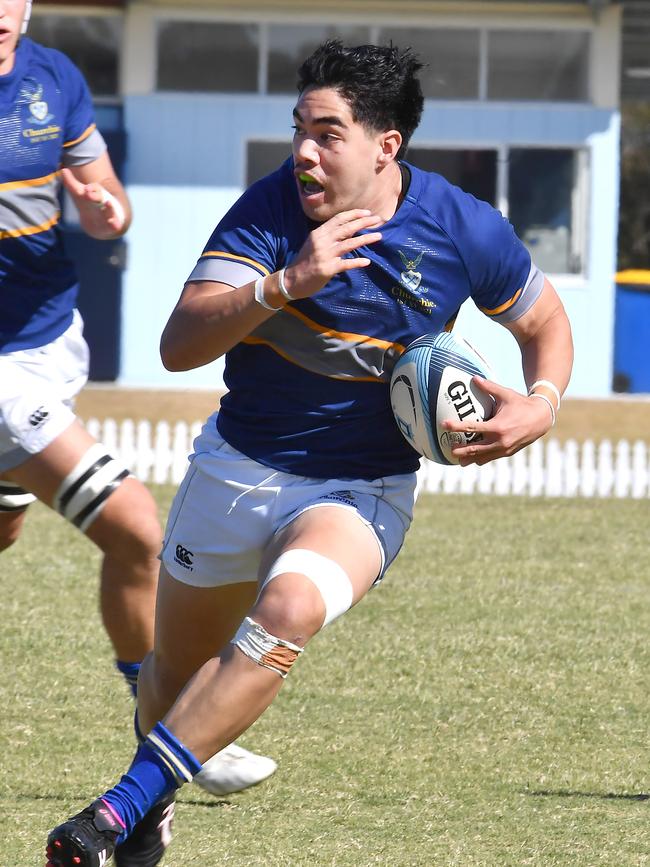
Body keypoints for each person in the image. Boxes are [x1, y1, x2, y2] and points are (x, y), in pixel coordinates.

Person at [46, 38, 574, 866]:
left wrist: (539, 407)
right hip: (237, 467)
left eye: (327, 133)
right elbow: (179, 344)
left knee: (288, 613)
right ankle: (152, 802)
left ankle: (117, 811)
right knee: (170, 681)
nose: (304, 150)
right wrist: (284, 283)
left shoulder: (463, 227)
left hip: (362, 488)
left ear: (384, 145)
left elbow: (543, 324)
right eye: (300, 127)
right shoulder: (270, 212)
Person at [0, 0, 277, 859]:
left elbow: (104, 192)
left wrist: (105, 209)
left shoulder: (54, 79)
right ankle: (168, 726)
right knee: (137, 529)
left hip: (50, 338)